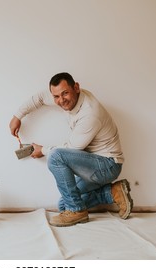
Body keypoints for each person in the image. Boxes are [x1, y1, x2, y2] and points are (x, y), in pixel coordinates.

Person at [9, 72, 133, 226]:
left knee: (55, 156)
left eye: (65, 93)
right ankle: (112, 193)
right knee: (63, 205)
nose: (61, 101)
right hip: (92, 165)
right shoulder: (64, 97)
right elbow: (39, 98)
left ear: (76, 87)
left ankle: (76, 211)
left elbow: (74, 147)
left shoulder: (90, 113)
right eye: (56, 96)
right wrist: (17, 116)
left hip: (107, 166)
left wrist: (43, 150)